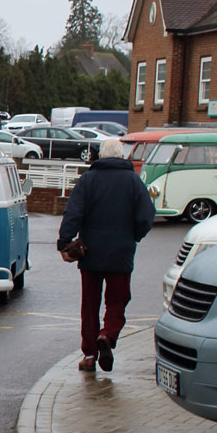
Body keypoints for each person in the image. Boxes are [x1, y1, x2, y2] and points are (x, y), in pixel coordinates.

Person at [57, 138, 155, 372]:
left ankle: (89, 354)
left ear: (100, 156)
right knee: (118, 300)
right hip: (121, 251)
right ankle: (107, 335)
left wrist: (64, 242)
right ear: (122, 157)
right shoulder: (133, 181)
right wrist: (134, 236)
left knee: (90, 304)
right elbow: (146, 216)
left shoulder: (88, 180)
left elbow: (73, 213)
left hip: (90, 252)